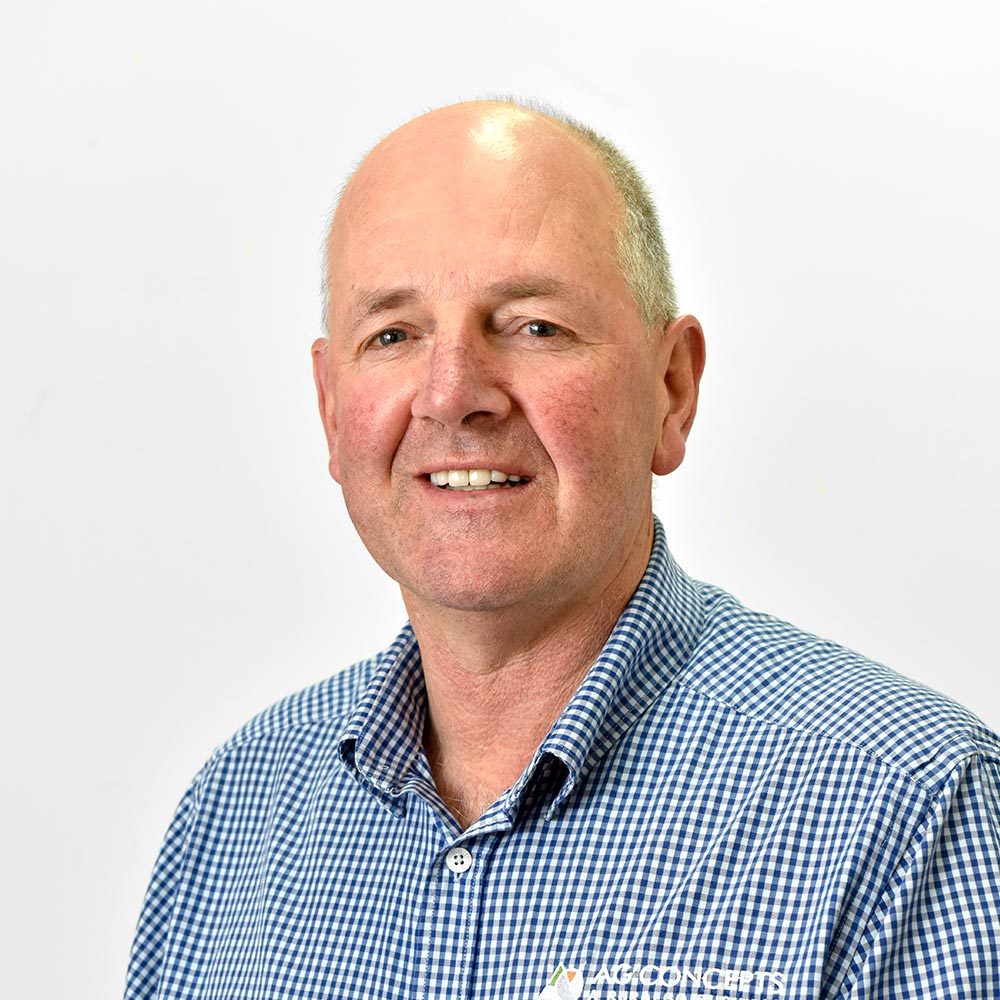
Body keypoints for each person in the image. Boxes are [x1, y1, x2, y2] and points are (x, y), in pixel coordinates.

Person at [125, 100, 1000, 1000]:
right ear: (329, 409)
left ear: (672, 389)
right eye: (393, 334)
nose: (453, 394)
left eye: (533, 325)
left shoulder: (909, 807)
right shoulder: (229, 821)